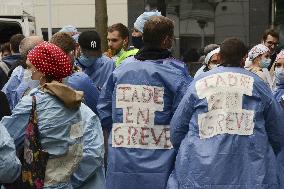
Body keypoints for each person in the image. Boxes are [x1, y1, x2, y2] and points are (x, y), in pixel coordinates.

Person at [167, 38, 284, 189]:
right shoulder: (258, 84)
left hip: (202, 171)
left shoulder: (199, 82)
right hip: (252, 171)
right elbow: (277, 131)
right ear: (244, 59)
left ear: (220, 57)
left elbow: (177, 129)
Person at [97, 15, 192, 189]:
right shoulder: (177, 73)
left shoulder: (121, 69)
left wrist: (122, 131)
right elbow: (184, 119)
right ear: (167, 40)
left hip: (122, 159)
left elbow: (104, 108)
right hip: (161, 163)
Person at [0, 42, 103, 189]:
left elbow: (7, 140)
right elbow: (92, 152)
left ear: (42, 71)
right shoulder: (76, 103)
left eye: (29, 67)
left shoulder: (32, 103)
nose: (26, 73)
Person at [2, 36, 44, 110]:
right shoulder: (19, 72)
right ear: (31, 53)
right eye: (43, 47)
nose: (48, 49)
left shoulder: (46, 71)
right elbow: (8, 97)